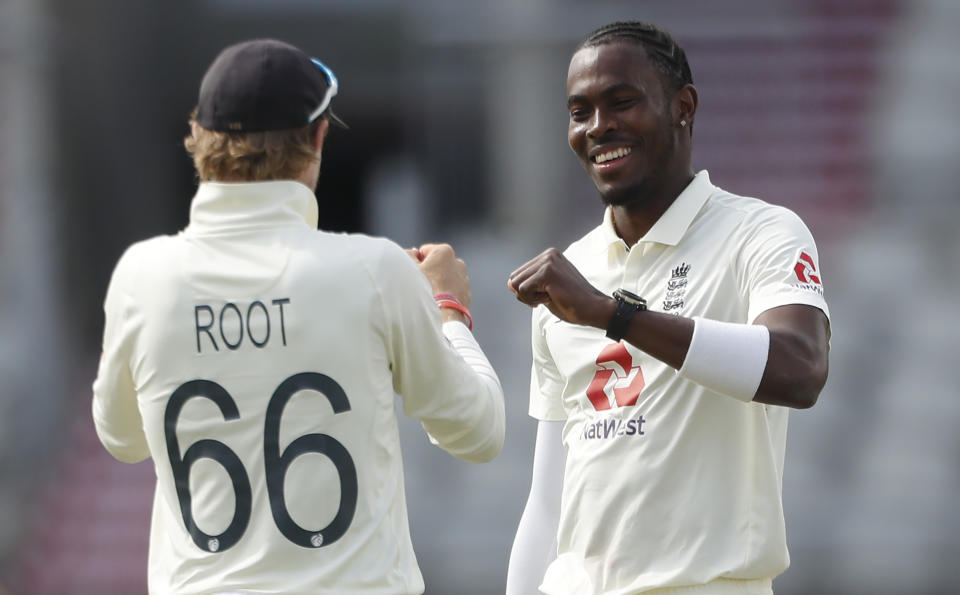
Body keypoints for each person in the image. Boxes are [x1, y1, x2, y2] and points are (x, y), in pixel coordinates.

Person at [91, 39, 505, 595]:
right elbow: (479, 433)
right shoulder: (374, 270)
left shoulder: (141, 276)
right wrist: (449, 310)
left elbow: (123, 439)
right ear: (317, 138)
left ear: (200, 140)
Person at [505, 21, 831, 595]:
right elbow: (549, 499)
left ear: (684, 106)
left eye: (621, 102)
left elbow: (799, 369)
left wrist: (613, 315)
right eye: (580, 112)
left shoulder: (761, 232)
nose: (598, 127)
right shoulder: (573, 271)